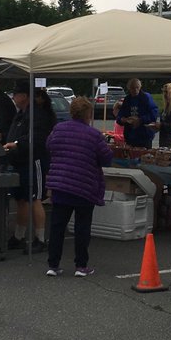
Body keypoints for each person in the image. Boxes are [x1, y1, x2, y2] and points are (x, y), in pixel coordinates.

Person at [45, 96, 112, 277]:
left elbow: (49, 146)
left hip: (60, 183)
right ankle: (81, 265)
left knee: (57, 226)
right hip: (84, 185)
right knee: (82, 227)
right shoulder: (94, 135)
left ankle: (53, 264)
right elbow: (106, 158)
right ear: (88, 114)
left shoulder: (58, 129)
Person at [4, 84, 55, 251]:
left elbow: (38, 138)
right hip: (19, 161)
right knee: (21, 199)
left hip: (34, 161)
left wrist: (17, 144)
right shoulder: (20, 114)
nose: (13, 97)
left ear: (24, 96)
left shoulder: (37, 115)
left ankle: (40, 238)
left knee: (34, 199)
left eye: (15, 94)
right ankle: (19, 235)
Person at [115, 78, 158, 148]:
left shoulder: (146, 97)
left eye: (137, 87)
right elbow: (120, 115)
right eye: (132, 88)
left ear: (140, 87)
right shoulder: (127, 99)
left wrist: (140, 120)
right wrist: (122, 119)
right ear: (129, 88)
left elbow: (154, 114)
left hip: (144, 136)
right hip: (130, 136)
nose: (135, 90)